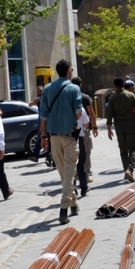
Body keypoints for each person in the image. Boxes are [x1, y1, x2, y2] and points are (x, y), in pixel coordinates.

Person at [40, 59, 83, 224]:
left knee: (64, 173)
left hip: (53, 136)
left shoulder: (48, 89)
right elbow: (78, 113)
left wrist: (43, 137)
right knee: (69, 173)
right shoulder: (74, 88)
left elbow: (43, 115)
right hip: (69, 136)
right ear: (69, 71)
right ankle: (64, 208)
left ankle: (73, 203)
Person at [106, 76, 135, 183]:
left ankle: (126, 170)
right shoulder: (130, 95)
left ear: (114, 86)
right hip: (130, 124)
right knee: (133, 147)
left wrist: (109, 129)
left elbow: (109, 115)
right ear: (123, 84)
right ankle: (130, 169)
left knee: (123, 149)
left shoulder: (112, 98)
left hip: (118, 125)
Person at [72, 76, 98, 184]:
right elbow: (91, 113)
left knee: (74, 151)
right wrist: (94, 127)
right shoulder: (85, 97)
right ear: (81, 85)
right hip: (84, 127)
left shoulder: (69, 97)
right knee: (86, 150)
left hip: (70, 129)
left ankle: (75, 173)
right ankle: (86, 173)